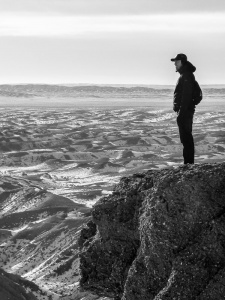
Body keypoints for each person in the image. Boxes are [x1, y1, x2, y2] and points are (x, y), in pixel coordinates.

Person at [171, 53, 196, 164]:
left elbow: (186, 96)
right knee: (186, 139)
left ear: (182, 62)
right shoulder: (185, 75)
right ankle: (188, 163)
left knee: (186, 139)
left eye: (176, 62)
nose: (175, 64)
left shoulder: (186, 76)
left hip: (185, 112)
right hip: (185, 111)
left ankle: (189, 164)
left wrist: (181, 112)